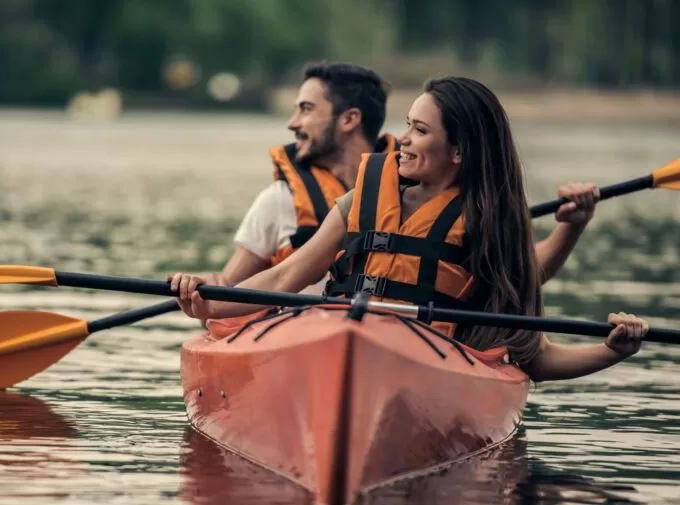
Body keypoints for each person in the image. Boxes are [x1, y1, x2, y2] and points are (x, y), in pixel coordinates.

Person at [169, 76, 648, 383]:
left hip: (432, 363)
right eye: (406, 125)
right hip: (336, 340)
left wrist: (612, 352)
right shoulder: (364, 198)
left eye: (419, 131)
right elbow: (283, 278)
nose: (402, 141)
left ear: (457, 150)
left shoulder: (492, 224)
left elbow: (535, 357)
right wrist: (205, 299)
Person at [209, 62, 599, 295]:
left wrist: (571, 228)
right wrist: (203, 294)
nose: (292, 123)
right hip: (305, 339)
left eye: (307, 109)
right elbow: (268, 280)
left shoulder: (437, 195)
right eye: (408, 127)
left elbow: (522, 276)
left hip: (411, 345)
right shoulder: (283, 201)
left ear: (350, 120)